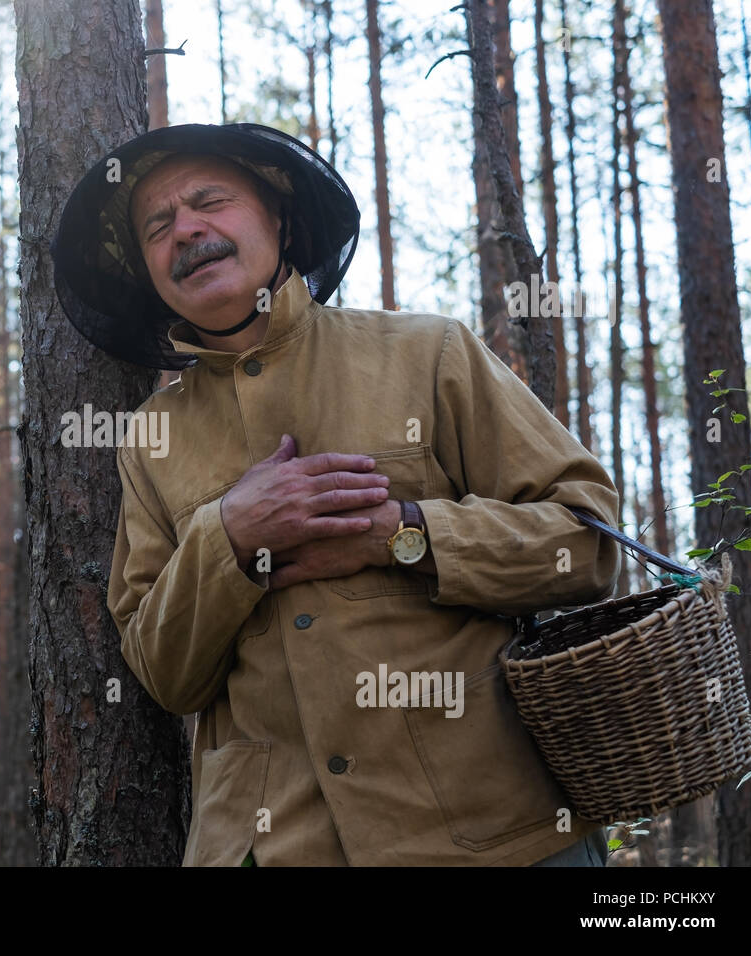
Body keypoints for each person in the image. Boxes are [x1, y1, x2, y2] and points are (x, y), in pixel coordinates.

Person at [50, 123, 621, 866]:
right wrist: (230, 534)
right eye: (158, 227)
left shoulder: (426, 351)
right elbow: (163, 673)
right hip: (271, 844)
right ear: (151, 272)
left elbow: (586, 543)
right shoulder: (151, 440)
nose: (186, 230)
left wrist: (399, 533)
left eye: (209, 202)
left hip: (495, 833)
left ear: (279, 220)